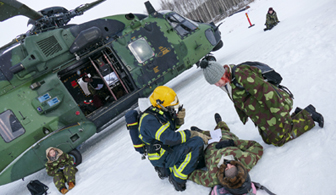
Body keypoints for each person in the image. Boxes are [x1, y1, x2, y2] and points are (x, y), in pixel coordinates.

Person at [201, 60, 324, 147]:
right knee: (267, 140)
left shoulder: (241, 75)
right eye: (215, 84)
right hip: (262, 114)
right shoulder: (227, 81)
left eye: (218, 81)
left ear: (222, 72)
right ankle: (297, 115)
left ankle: (308, 115)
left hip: (274, 106)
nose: (218, 84)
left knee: (280, 139)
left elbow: (266, 92)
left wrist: (280, 113)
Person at [138, 86, 211, 191]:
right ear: (159, 103)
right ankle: (177, 178)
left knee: (191, 141)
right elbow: (170, 138)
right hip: (161, 156)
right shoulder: (148, 120)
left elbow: (167, 131)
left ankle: (179, 165)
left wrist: (178, 121)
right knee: (196, 143)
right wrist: (191, 133)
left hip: (166, 148)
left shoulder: (157, 112)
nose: (171, 109)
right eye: (169, 107)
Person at [188, 113, 263, 195]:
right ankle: (220, 123)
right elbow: (257, 146)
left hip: (207, 144)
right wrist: (233, 142)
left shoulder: (213, 178)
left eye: (226, 170)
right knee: (224, 130)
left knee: (199, 137)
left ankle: (201, 132)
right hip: (226, 137)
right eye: (233, 168)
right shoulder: (247, 160)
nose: (228, 165)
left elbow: (192, 174)